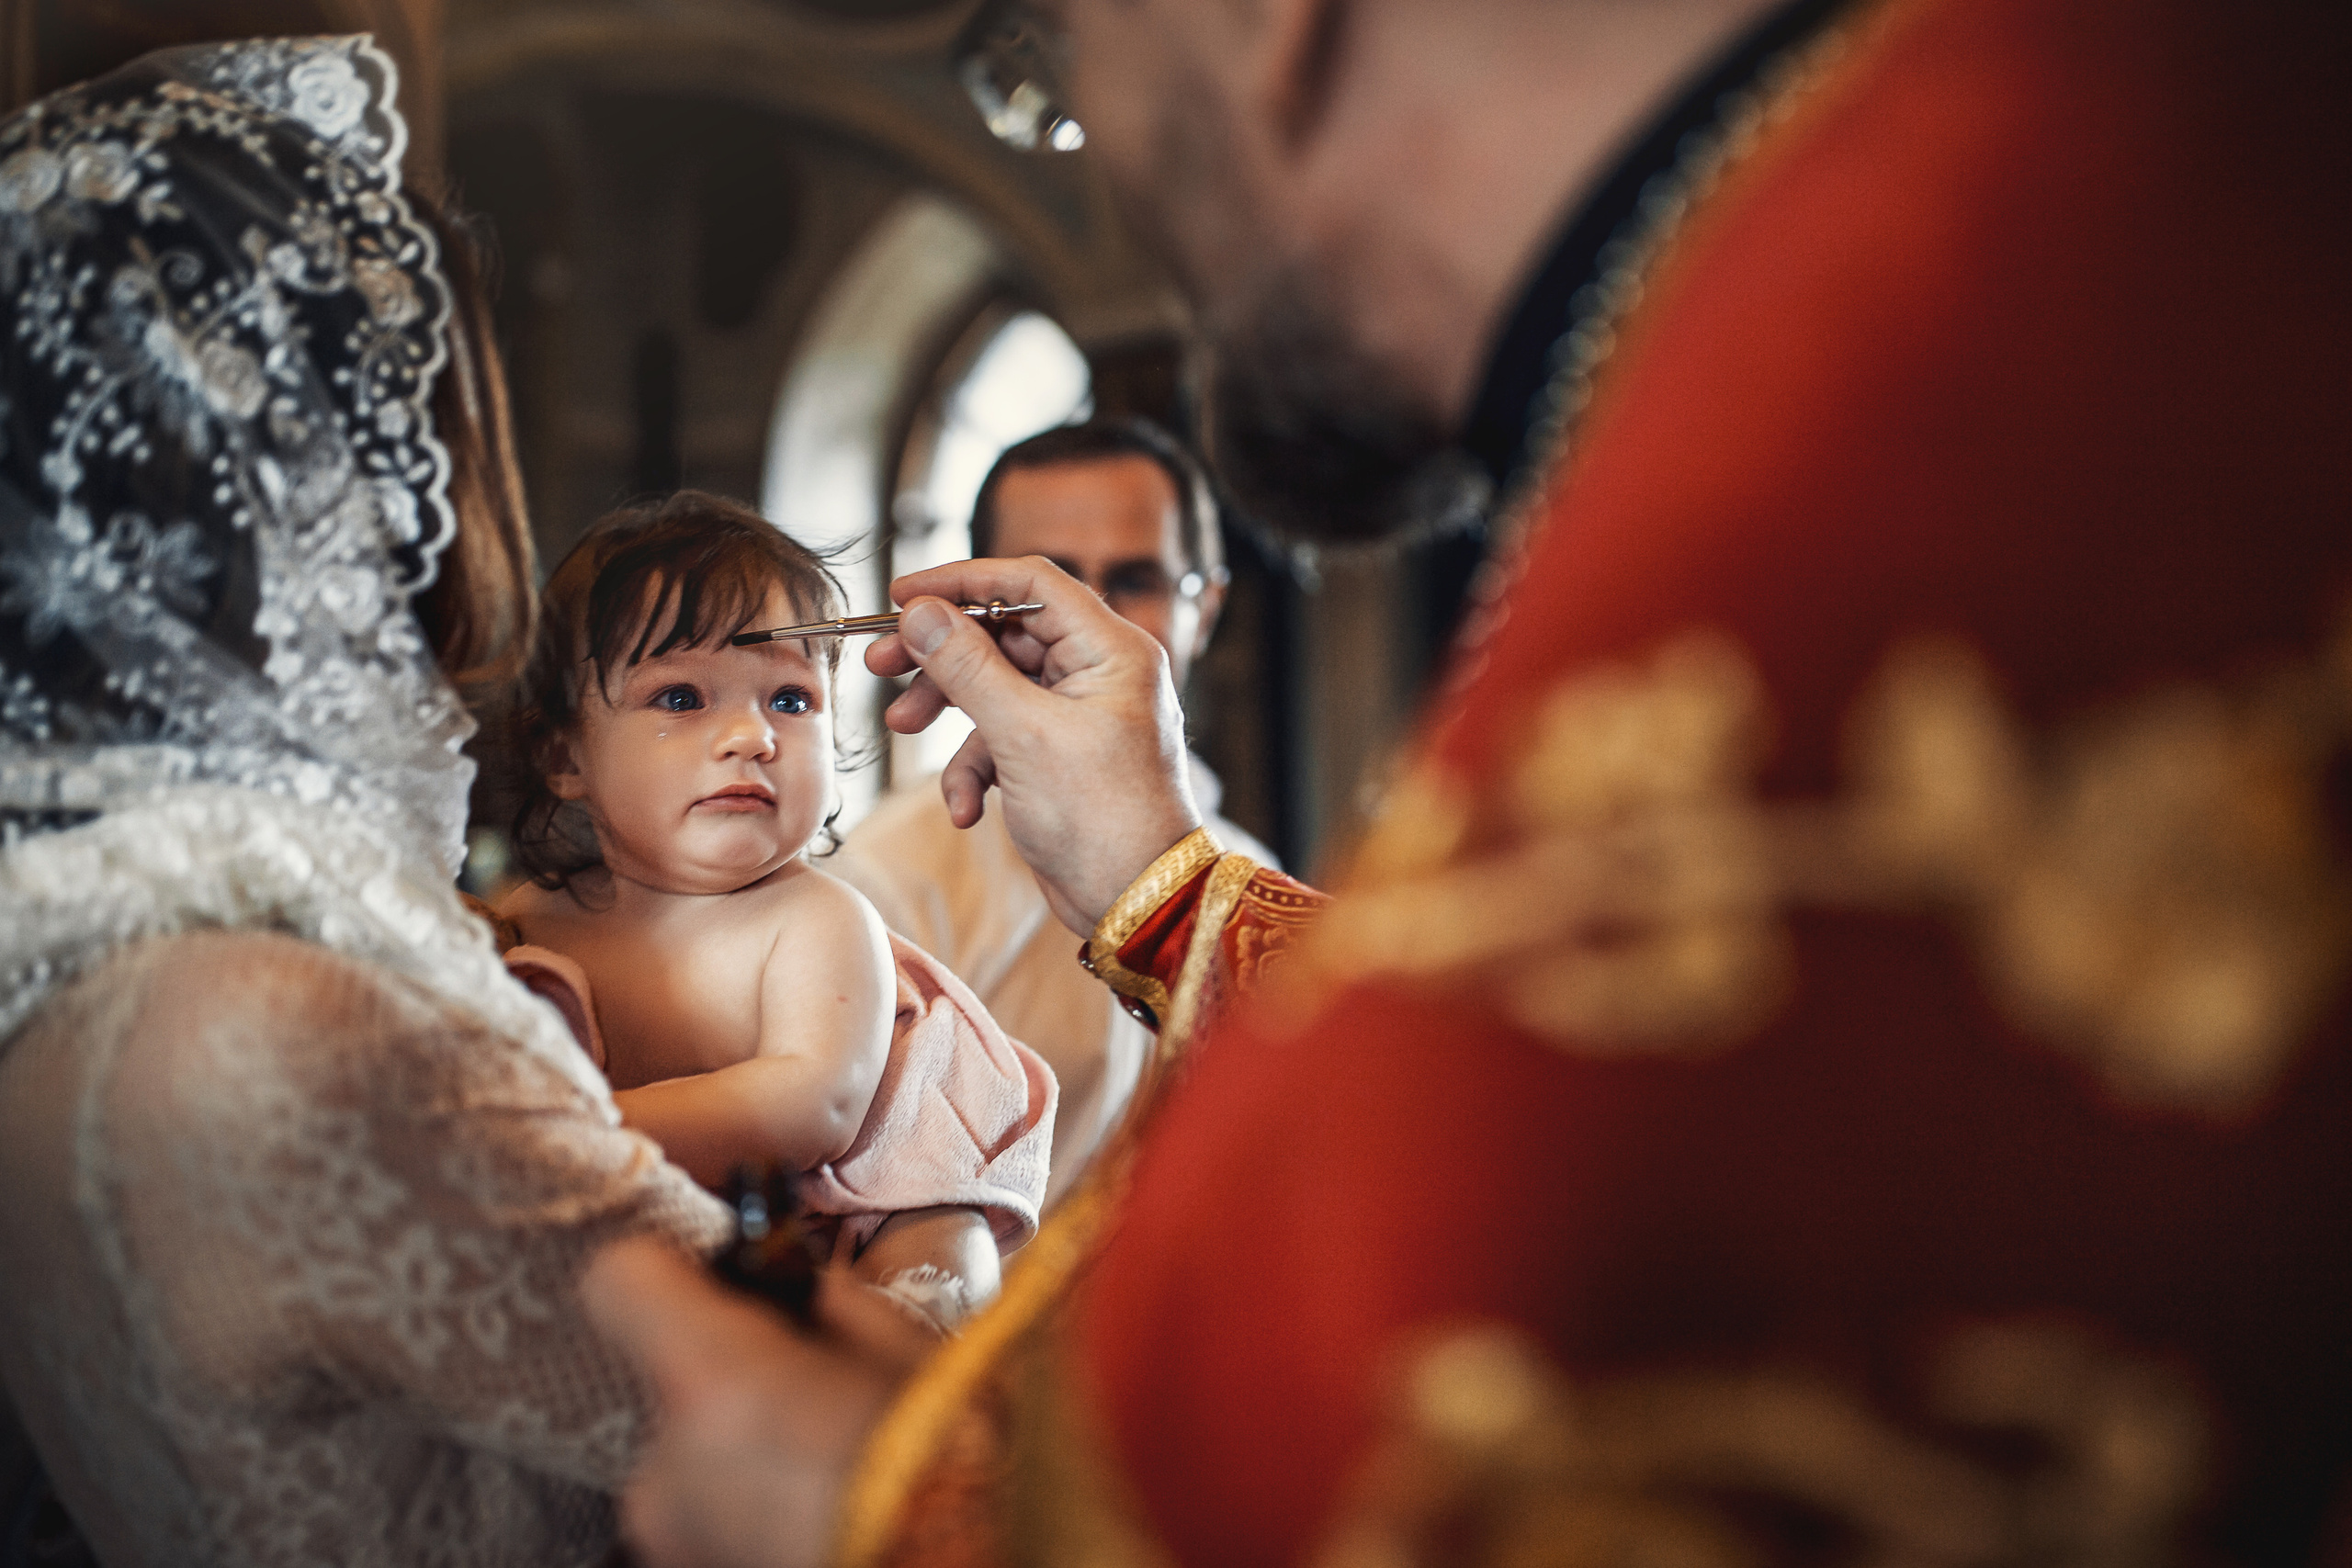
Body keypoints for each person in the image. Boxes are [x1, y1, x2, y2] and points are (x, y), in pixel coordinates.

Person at [582, 0, 2346, 1562]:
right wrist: (1161, 871)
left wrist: (888, 1519)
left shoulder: (1941, 397)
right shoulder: (2040, 213)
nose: (1109, 156)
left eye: (1075, 53)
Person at [0, 38, 913, 1568]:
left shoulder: (75, 957)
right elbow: (903, 1466)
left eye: (786, 696)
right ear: (333, 499)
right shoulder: (274, 1033)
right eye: (439, 428)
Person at [497, 493, 1057, 1321]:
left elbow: (809, 1105)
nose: (753, 737)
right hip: (616, 1277)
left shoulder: (815, 920)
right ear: (563, 754)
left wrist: (576, 1130)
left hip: (830, 1246)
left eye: (789, 700)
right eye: (682, 698)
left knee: (942, 1258)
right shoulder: (525, 923)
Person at [831, 419, 1271, 1207]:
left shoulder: (1257, 884)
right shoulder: (879, 885)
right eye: (1049, 587)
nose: (1093, 622)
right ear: (969, 611)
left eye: (1136, 579)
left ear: (1206, 608)